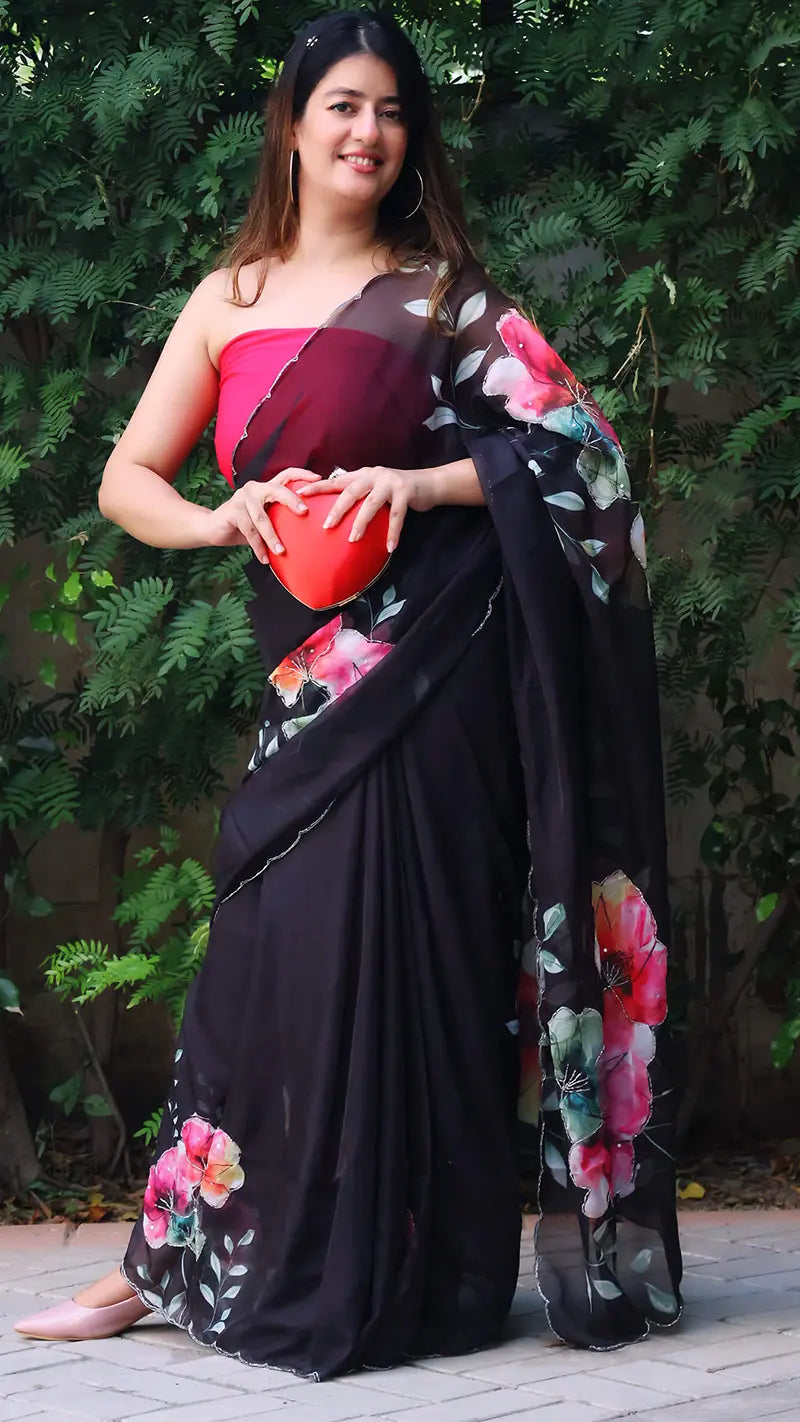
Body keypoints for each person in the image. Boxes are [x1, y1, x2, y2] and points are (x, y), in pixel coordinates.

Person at [15, 8, 682, 1379]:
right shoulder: (228, 301)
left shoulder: (449, 303)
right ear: (296, 124)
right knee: (265, 966)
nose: (368, 131)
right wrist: (225, 518)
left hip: (438, 686)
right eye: (342, 106)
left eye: (390, 109)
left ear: (409, 134)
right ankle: (178, 1256)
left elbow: (588, 463)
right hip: (305, 690)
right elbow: (128, 478)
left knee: (428, 957)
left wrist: (426, 480)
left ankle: (425, 1269)